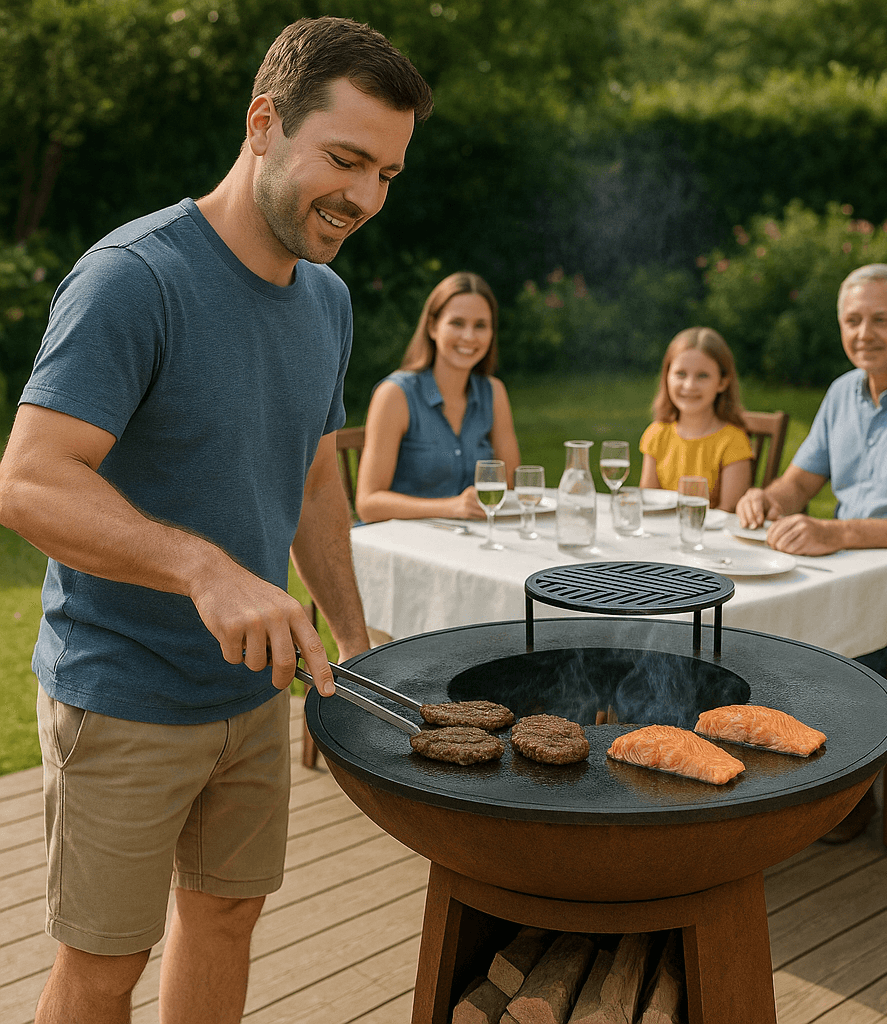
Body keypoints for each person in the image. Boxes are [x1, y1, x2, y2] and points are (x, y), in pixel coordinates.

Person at [0, 17, 431, 1024]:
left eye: (387, 175)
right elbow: (28, 481)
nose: (365, 198)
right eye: (347, 160)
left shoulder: (324, 300)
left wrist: (354, 633)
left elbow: (315, 476)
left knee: (228, 915)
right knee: (104, 968)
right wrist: (203, 568)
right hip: (123, 694)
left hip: (253, 692)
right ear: (264, 122)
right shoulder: (135, 279)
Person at [736, 263, 887, 841]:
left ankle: (845, 798)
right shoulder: (841, 393)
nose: (863, 333)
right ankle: (785, 775)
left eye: (880, 320)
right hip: (848, 568)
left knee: (840, 652)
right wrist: (765, 498)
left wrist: (841, 533)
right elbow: (798, 484)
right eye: (852, 320)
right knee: (760, 623)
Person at [355, 271, 521, 522]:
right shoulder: (395, 395)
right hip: (404, 544)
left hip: (470, 540)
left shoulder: (493, 392)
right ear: (432, 326)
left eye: (480, 325)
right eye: (457, 323)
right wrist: (451, 507)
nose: (469, 336)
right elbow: (368, 504)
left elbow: (510, 484)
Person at [638, 326, 753, 511]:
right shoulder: (656, 434)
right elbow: (649, 503)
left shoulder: (733, 442)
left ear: (722, 382)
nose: (689, 385)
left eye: (702, 376)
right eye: (681, 374)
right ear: (667, 376)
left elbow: (729, 512)